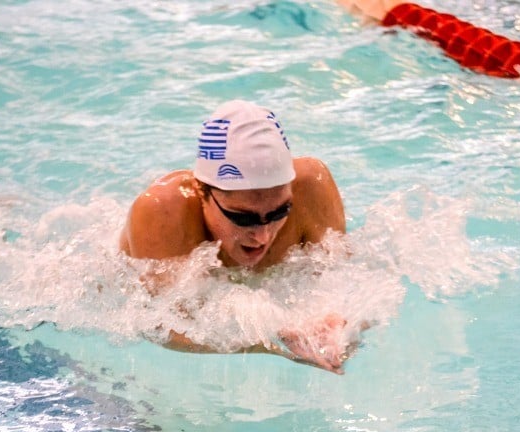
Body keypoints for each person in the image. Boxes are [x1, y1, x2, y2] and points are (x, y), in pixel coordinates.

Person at [119, 99, 354, 373]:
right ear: (202, 191)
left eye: (280, 211)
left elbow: (344, 282)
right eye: (243, 218)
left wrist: (340, 330)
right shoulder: (164, 212)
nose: (263, 235)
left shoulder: (312, 189)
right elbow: (162, 328)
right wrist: (270, 341)